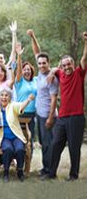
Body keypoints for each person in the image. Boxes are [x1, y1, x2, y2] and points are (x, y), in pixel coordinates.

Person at [45, 32, 87, 181]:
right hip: (62, 117)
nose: (67, 67)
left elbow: (84, 58)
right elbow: (54, 69)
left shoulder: (79, 73)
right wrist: (53, 71)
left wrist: (86, 42)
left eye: (69, 64)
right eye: (64, 65)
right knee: (56, 144)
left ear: (73, 64)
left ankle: (73, 175)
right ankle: (51, 173)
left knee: (74, 148)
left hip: (76, 117)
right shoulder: (60, 74)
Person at [28, 30, 59, 177]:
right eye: (39, 63)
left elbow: (54, 99)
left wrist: (50, 117)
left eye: (44, 63)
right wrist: (33, 37)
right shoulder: (41, 73)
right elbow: (37, 52)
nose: (41, 65)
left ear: (49, 63)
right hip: (39, 115)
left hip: (48, 115)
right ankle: (45, 167)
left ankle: (50, 172)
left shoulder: (52, 79)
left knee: (49, 144)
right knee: (43, 143)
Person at [0, 89, 34, 182]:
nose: (4, 97)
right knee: (8, 149)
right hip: (5, 137)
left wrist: (28, 100)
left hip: (16, 136)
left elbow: (21, 107)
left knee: (20, 149)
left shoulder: (12, 105)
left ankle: (20, 171)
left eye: (6, 95)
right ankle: (6, 172)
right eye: (2, 95)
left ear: (9, 98)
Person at [15, 42, 37, 153]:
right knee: (20, 138)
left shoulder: (35, 80)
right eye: (25, 69)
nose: (27, 71)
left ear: (31, 70)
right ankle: (20, 160)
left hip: (32, 114)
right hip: (21, 113)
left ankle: (29, 162)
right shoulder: (19, 81)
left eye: (28, 69)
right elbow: (18, 69)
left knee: (30, 138)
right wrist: (19, 55)